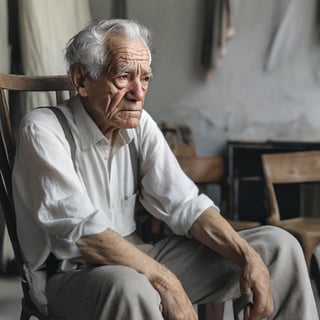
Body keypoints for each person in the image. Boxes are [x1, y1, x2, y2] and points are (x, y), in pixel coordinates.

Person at [12, 19, 319, 320]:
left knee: (277, 248)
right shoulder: (43, 130)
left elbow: (185, 204)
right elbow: (83, 233)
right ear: (81, 80)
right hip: (70, 273)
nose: (138, 92)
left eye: (145, 78)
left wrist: (247, 256)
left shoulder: (139, 124)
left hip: (139, 257)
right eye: (123, 76)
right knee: (132, 287)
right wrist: (166, 281)